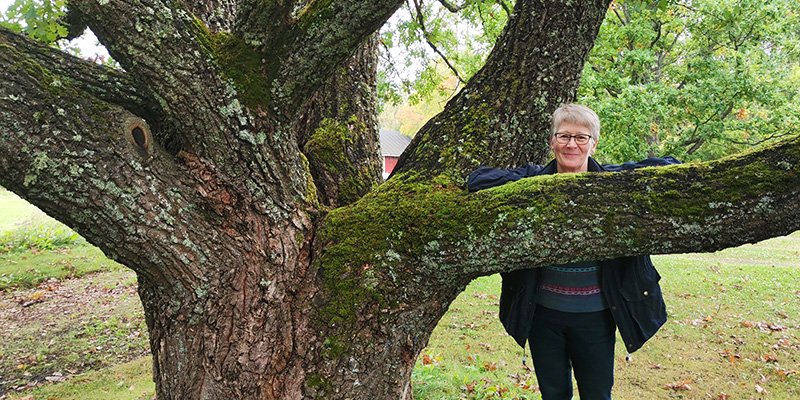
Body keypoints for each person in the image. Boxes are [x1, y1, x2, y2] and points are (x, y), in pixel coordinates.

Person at [467, 103, 679, 400]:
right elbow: (477, 180)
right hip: (543, 316)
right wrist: (535, 186)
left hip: (596, 316)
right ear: (552, 141)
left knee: (597, 394)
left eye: (581, 137)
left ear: (594, 144)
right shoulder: (534, 178)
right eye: (564, 136)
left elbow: (670, 166)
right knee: (553, 394)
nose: (571, 144)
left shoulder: (611, 182)